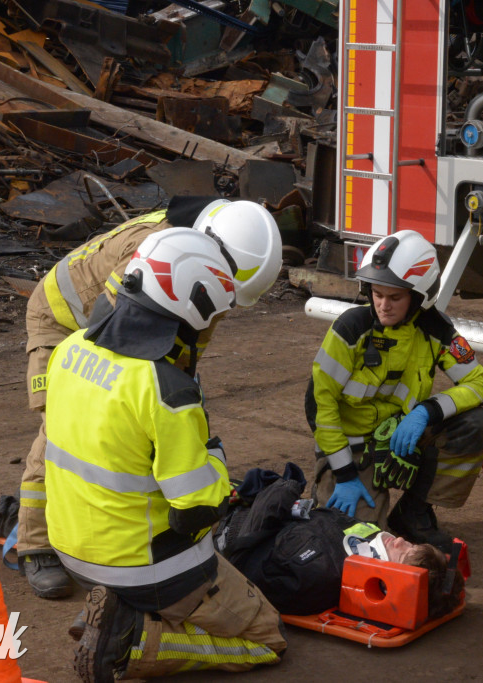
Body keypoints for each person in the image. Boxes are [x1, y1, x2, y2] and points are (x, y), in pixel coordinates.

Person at [43, 227, 286, 682]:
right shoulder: (165, 390)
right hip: (143, 567)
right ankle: (134, 640)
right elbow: (198, 508)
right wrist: (214, 452)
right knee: (266, 638)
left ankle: (117, 616)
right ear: (191, 308)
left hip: (72, 552)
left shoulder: (69, 349)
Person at [17, 197, 280, 598]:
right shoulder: (157, 252)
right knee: (61, 425)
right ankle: (35, 546)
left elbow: (183, 351)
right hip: (64, 320)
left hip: (103, 320)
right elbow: (115, 330)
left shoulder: (198, 254)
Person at [306, 230, 483, 552]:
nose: (383, 305)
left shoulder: (437, 329)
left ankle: (415, 512)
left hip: (402, 437)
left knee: (475, 423)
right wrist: (345, 473)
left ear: (419, 298)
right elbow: (318, 406)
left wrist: (425, 412)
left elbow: (480, 384)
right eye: (377, 294)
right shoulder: (350, 329)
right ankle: (336, 487)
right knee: (356, 543)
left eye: (395, 298)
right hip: (353, 452)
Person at [216, 470, 465, 619]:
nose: (398, 540)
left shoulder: (316, 577)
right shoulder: (366, 542)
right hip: (255, 509)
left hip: (226, 525)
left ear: (388, 586)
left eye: (402, 554)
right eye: (411, 544)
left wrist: (281, 491)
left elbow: (242, 563)